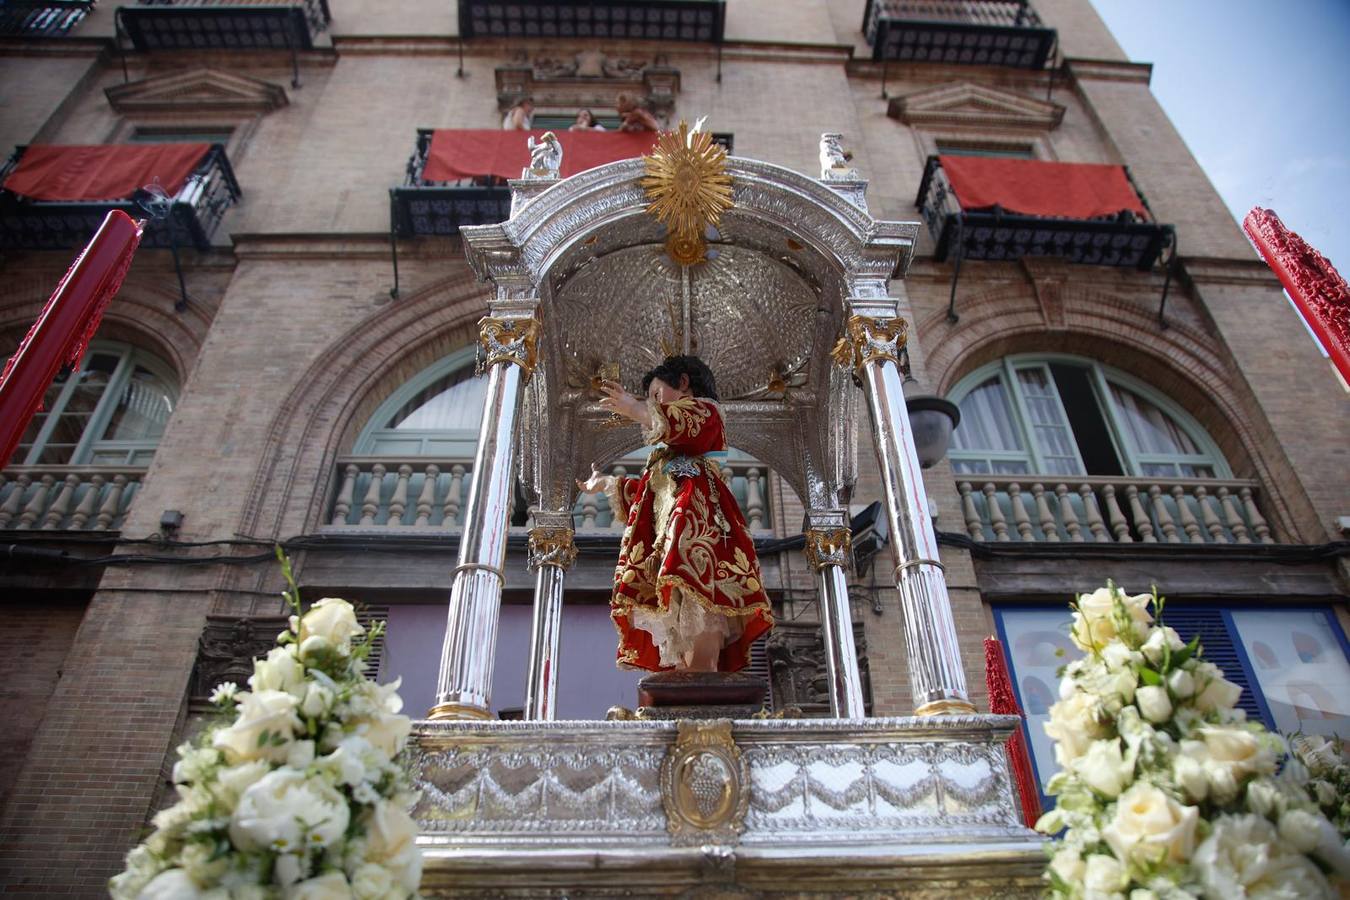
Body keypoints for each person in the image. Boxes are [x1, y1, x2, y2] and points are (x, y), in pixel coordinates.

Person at [579, 356, 773, 673]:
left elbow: (681, 426)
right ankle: (688, 677)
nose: (654, 406)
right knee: (678, 615)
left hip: (700, 532)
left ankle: (703, 679)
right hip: (670, 540)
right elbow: (648, 493)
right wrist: (608, 484)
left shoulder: (706, 411)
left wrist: (634, 408)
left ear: (683, 384)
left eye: (657, 395)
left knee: (702, 605)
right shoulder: (665, 455)